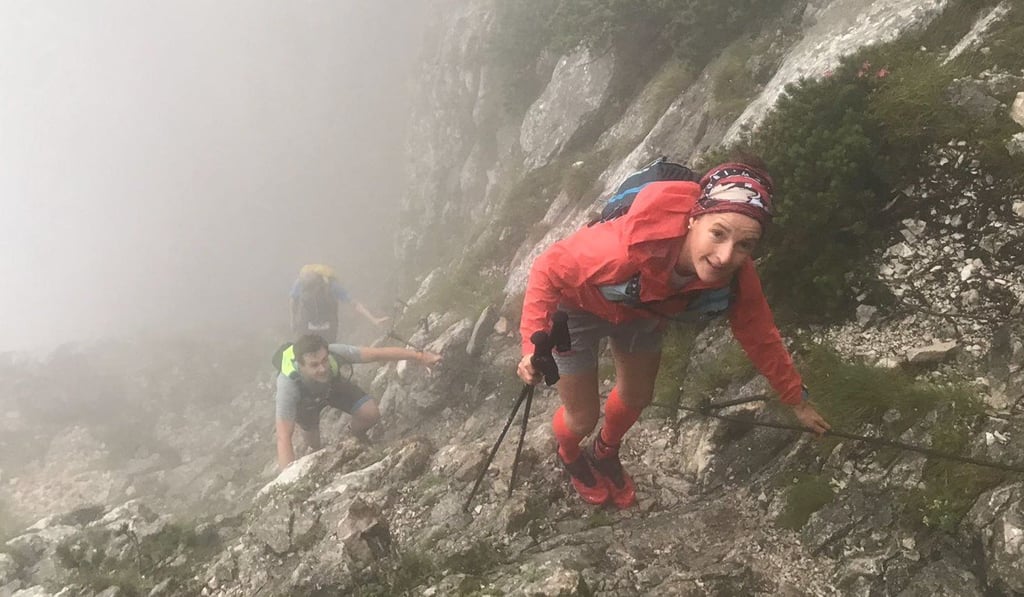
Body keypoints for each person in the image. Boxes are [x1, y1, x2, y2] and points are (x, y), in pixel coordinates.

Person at [516, 156, 830, 509]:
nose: (725, 256)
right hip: (578, 310)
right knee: (582, 417)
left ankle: (605, 451)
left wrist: (796, 401)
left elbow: (761, 335)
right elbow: (547, 269)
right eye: (718, 233)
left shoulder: (737, 277)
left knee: (637, 397)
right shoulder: (622, 247)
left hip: (642, 310)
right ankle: (569, 453)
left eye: (745, 245)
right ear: (695, 218)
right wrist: (532, 344)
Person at [274, 333, 442, 470]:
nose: (322, 368)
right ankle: (317, 447)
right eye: (314, 365)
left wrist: (420, 356)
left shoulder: (335, 352)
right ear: (300, 365)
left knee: (371, 414)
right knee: (314, 444)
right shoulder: (287, 385)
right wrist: (287, 483)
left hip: (332, 387)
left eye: (325, 360)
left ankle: (353, 437)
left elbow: (376, 354)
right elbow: (284, 437)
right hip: (305, 403)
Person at [290, 264, 390, 342]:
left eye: (312, 289)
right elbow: (293, 301)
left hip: (327, 326)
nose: (310, 292)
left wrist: (373, 319)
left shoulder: (332, 286)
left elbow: (354, 304)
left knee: (327, 350)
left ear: (319, 285)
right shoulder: (300, 284)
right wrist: (293, 320)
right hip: (308, 323)